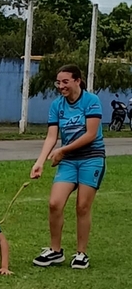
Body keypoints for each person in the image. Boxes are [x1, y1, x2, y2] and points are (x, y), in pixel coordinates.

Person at [30, 64, 105, 270]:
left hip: (92, 158)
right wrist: (39, 162)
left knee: (82, 206)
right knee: (55, 203)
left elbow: (90, 134)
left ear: (77, 81)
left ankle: (81, 254)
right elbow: (51, 136)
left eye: (65, 82)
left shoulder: (91, 101)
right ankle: (55, 251)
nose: (61, 86)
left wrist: (63, 150)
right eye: (58, 82)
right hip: (69, 161)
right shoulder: (57, 105)